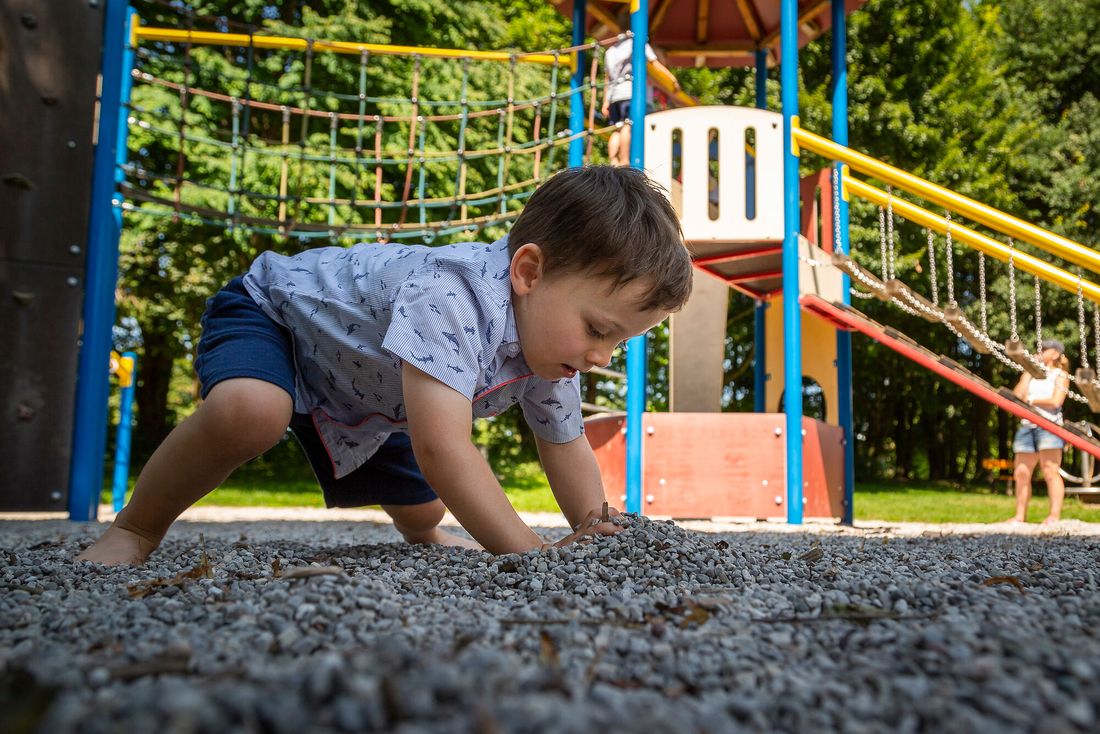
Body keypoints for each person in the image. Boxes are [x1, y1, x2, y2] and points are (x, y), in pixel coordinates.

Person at [76, 166, 693, 565]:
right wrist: (532, 554)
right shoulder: (450, 298)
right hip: (278, 319)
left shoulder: (551, 345)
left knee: (428, 513)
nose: (599, 356)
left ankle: (421, 533)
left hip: (369, 388)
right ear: (528, 272)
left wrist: (593, 529)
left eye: (619, 344)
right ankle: (135, 529)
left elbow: (564, 443)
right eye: (598, 330)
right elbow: (444, 448)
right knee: (252, 412)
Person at [1009, 339, 1071, 524]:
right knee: (1021, 472)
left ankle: (1054, 516)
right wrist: (1029, 370)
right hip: (1028, 426)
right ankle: (1020, 516)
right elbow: (1017, 396)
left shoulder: (1060, 375)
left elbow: (1055, 401)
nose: (1040, 351)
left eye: (1044, 349)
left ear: (1055, 353)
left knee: (1050, 471)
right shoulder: (1031, 374)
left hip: (1049, 426)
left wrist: (1032, 401)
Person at [600, 31, 678, 167]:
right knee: (627, 126)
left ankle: (613, 161)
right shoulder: (638, 43)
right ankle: (624, 160)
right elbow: (655, 64)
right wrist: (672, 79)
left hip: (614, 96)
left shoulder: (610, 51)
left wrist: (605, 101)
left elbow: (607, 78)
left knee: (617, 129)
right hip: (629, 92)